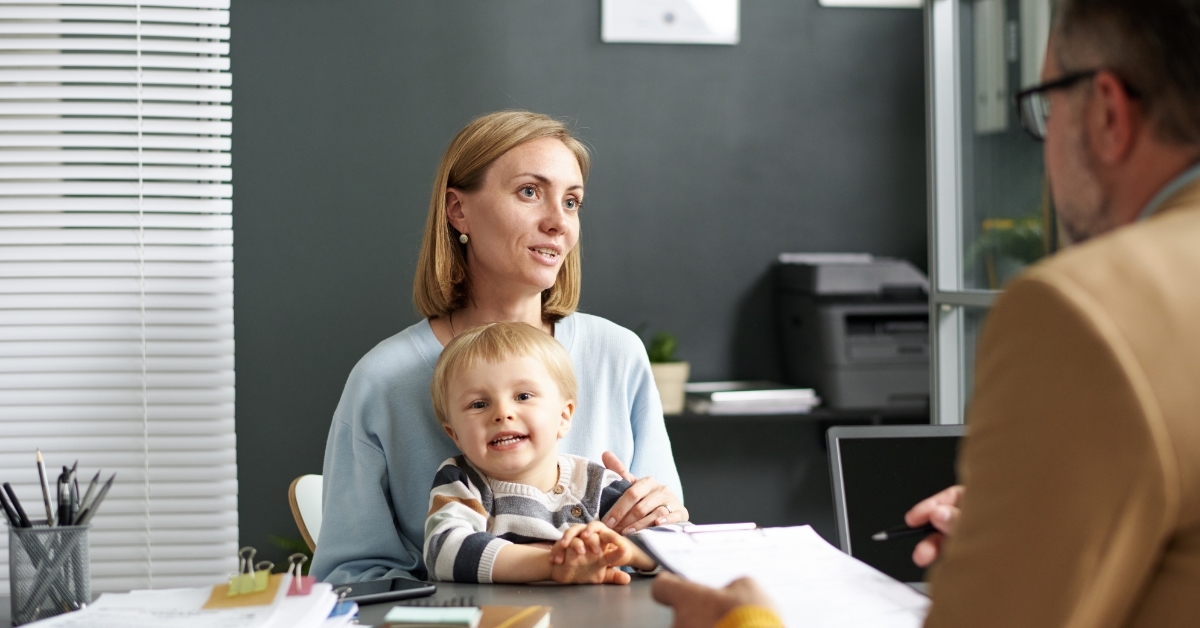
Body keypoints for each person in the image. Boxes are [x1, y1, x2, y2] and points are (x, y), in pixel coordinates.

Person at [652, 0, 1200, 625]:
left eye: (1047, 106)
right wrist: (1025, 523)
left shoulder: (1086, 309)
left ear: (1106, 112)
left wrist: (746, 623)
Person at [311, 111, 688, 584]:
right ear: (457, 210)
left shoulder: (619, 354)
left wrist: (661, 521)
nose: (558, 223)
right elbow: (352, 576)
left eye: (572, 202)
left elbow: (671, 542)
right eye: (530, 192)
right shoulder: (383, 379)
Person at [423, 322, 657, 584]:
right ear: (454, 434)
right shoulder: (462, 481)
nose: (502, 413)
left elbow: (677, 547)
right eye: (479, 404)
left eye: (523, 396)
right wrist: (553, 564)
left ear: (563, 416)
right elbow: (441, 550)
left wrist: (630, 553)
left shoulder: (594, 483)